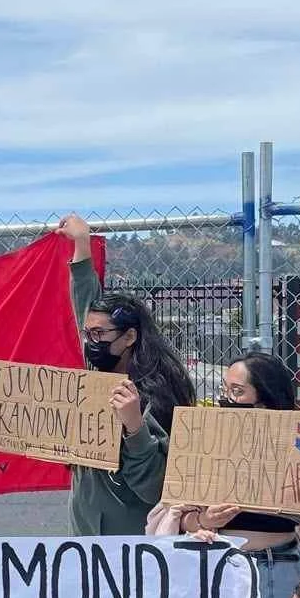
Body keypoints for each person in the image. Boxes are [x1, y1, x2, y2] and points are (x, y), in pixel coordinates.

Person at [172, 352, 300, 598]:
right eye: (225, 390)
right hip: (219, 566)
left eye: (237, 391)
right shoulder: (209, 437)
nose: (227, 399)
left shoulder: (298, 441)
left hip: (276, 567)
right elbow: (179, 516)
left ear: (266, 396)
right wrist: (205, 520)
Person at [58, 214, 195, 535]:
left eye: (99, 335)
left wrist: (135, 427)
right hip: (85, 541)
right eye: (87, 333)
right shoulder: (96, 376)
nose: (90, 342)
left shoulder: (157, 394)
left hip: (132, 547)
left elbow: (155, 487)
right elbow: (85, 300)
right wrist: (81, 244)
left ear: (129, 337)